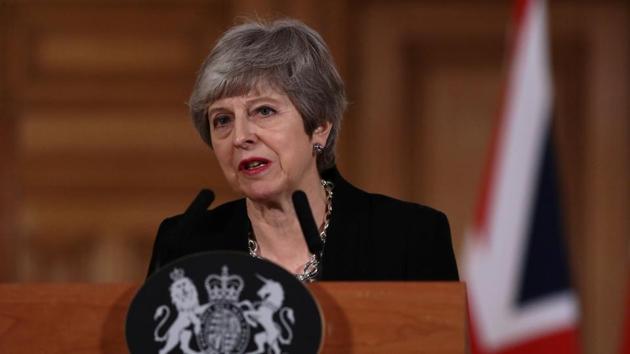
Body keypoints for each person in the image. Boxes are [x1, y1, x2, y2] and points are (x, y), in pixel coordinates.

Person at [147, 19, 458, 282]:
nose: (240, 136)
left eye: (264, 111)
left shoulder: (409, 237)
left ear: (319, 127)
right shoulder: (185, 244)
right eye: (223, 120)